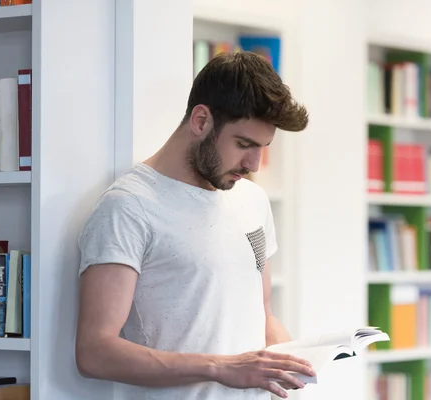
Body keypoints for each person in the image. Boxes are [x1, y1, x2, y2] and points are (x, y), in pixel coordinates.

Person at [74, 51, 315, 400]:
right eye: (244, 144)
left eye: (262, 148)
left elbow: (263, 316)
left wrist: (299, 365)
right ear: (201, 121)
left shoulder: (252, 201)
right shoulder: (128, 207)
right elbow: (94, 352)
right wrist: (220, 367)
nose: (254, 164)